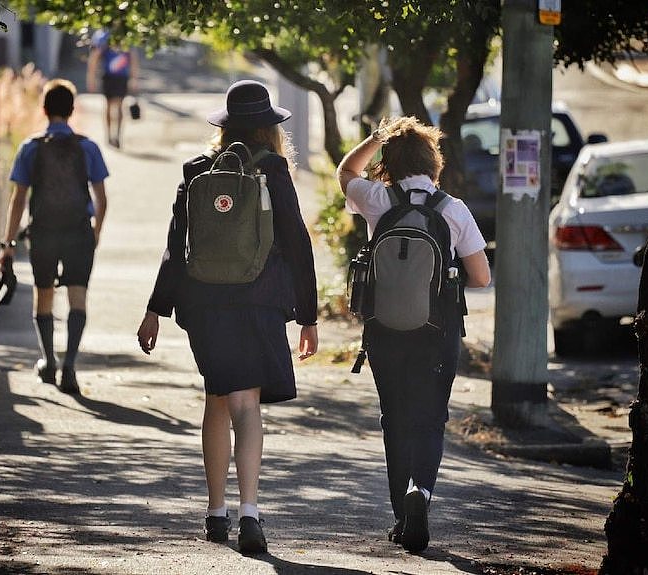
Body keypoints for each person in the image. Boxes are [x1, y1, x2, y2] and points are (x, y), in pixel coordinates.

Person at [136, 79, 319, 554]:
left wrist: (156, 309)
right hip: (259, 300)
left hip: (204, 304)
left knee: (218, 398)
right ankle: (249, 514)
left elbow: (176, 246)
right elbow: (297, 242)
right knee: (246, 404)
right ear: (269, 128)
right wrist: (308, 314)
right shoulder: (274, 170)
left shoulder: (197, 170)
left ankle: (215, 513)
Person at [336, 116, 491, 554]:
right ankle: (419, 493)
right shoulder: (452, 208)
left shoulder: (377, 198)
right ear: (433, 161)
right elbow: (480, 277)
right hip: (436, 332)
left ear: (390, 163)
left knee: (395, 419)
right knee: (430, 418)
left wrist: (373, 139)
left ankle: (401, 516)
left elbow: (345, 174)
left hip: (383, 330)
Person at [0, 79, 109, 394]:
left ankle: (48, 361)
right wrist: (95, 234)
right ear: (72, 110)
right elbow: (102, 198)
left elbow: (18, 199)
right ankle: (70, 365)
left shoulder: (31, 147)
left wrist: (8, 244)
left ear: (44, 110)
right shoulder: (87, 147)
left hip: (43, 233)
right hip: (78, 233)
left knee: (43, 294)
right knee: (77, 296)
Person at [86, 28, 139, 149]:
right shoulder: (103, 35)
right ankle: (109, 135)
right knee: (109, 105)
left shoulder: (126, 34)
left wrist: (134, 78)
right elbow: (94, 57)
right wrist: (91, 78)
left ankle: (118, 136)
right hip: (109, 76)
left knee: (120, 106)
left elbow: (133, 57)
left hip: (122, 76)